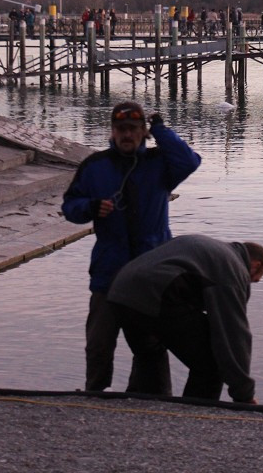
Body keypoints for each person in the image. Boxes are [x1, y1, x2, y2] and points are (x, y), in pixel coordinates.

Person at [62, 101, 202, 393]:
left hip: (152, 275)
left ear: (143, 132)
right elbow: (70, 206)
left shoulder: (160, 164)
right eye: (121, 129)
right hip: (108, 273)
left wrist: (161, 130)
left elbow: (190, 161)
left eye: (134, 130)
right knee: (99, 344)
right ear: (112, 132)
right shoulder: (94, 166)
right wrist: (90, 207)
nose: (127, 135)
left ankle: (153, 400)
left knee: (151, 345)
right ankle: (93, 395)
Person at [108, 234, 263, 404]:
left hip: (120, 293)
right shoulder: (232, 268)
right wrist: (244, 395)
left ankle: (152, 411)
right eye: (253, 281)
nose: (248, 284)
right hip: (157, 294)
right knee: (212, 364)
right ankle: (193, 417)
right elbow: (233, 332)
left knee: (150, 354)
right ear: (255, 265)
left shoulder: (209, 249)